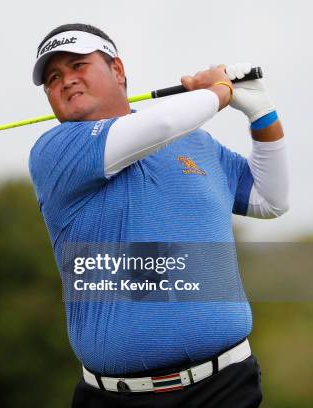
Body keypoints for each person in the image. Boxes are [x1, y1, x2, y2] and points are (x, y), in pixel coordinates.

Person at [28, 23, 288, 407]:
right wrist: (219, 90)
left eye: (78, 66)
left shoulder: (194, 142)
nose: (66, 81)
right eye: (53, 78)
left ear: (117, 71)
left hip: (225, 389)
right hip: (113, 397)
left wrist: (261, 110)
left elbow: (270, 198)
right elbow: (162, 123)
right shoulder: (56, 150)